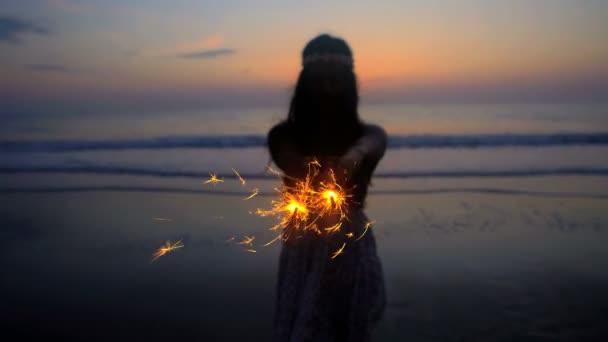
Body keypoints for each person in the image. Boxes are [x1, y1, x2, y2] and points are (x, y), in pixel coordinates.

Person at [267, 34, 387, 342]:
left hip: (350, 246)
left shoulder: (369, 136)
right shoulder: (283, 136)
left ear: (350, 82)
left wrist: (349, 160)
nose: (328, 87)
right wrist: (315, 168)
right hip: (302, 248)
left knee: (347, 326)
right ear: (305, 81)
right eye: (321, 78)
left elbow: (370, 145)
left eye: (336, 78)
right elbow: (288, 158)